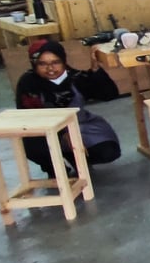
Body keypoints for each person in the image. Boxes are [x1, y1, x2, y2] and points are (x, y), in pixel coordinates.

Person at [16, 39, 121, 178]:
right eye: (42, 64)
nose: (50, 68)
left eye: (55, 62)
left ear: (64, 61)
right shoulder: (28, 82)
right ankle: (53, 168)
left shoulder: (75, 78)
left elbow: (109, 94)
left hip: (80, 126)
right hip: (45, 129)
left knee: (108, 150)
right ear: (34, 64)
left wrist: (96, 70)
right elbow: (27, 116)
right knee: (34, 145)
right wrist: (63, 133)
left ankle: (77, 159)